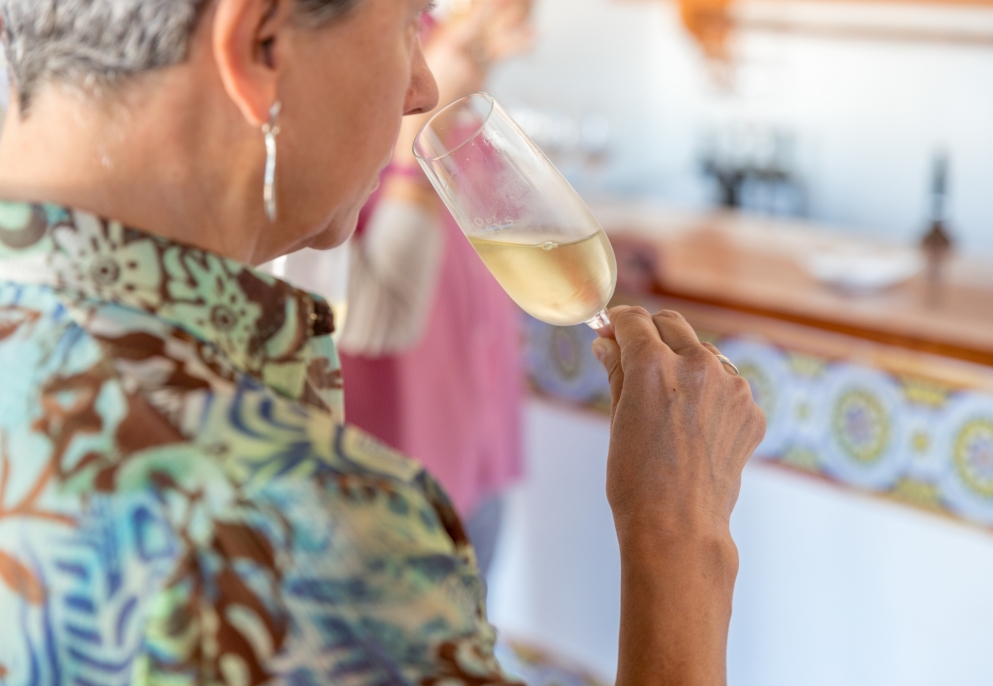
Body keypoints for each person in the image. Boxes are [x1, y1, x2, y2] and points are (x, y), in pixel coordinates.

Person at [0, 2, 765, 686]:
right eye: (407, 23)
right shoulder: (309, 535)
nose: (423, 88)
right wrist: (679, 536)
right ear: (262, 43)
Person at [338, 0, 533, 577]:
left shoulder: (434, 41)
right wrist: (428, 126)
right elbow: (369, 315)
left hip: (478, 441)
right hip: (394, 466)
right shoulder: (325, 50)